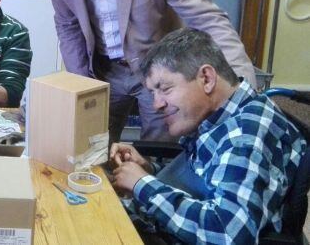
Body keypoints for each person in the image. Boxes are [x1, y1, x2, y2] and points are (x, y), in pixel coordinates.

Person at [39, 0, 255, 143]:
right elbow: (68, 26)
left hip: (158, 71)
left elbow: (207, 19)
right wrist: (80, 84)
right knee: (88, 145)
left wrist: (242, 84)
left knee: (160, 148)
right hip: (101, 70)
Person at [110, 28, 305, 243]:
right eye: (153, 93)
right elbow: (208, 175)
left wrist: (143, 185)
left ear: (206, 78)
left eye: (164, 88)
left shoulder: (244, 136)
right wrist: (149, 170)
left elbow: (227, 233)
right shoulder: (223, 114)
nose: (156, 104)